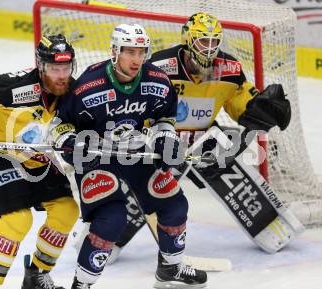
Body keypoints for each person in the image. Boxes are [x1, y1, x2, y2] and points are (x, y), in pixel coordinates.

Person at [108, 12, 292, 262]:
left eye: (214, 42)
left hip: (204, 136)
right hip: (162, 140)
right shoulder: (160, 67)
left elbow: (241, 105)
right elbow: (136, 103)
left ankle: (269, 224)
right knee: (149, 188)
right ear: (188, 40)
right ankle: (106, 237)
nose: (209, 49)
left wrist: (259, 109)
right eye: (203, 41)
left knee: (229, 167)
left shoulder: (230, 69)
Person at [52, 23, 207, 289]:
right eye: (130, 52)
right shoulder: (88, 85)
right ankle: (81, 285)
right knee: (112, 220)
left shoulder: (157, 80)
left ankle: (170, 269)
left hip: (135, 151)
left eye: (141, 52)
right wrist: (72, 144)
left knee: (174, 204)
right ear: (115, 51)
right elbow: (58, 126)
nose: (137, 59)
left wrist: (165, 141)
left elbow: (164, 119)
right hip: (95, 156)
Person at [0, 34, 80, 289]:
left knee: (67, 210)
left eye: (65, 68)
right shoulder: (14, 87)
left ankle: (36, 276)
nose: (61, 75)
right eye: (54, 68)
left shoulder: (72, 92)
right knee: (18, 219)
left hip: (32, 154)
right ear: (41, 67)